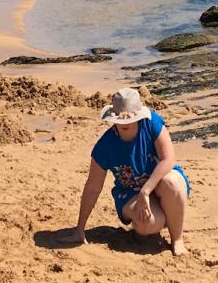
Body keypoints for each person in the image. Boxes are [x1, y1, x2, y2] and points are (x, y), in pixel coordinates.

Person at [72, 88, 190, 256]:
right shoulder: (105, 145)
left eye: (130, 118)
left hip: (159, 184)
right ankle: (148, 226)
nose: (125, 123)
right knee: (148, 224)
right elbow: (93, 186)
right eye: (120, 119)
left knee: (173, 182)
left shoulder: (151, 123)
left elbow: (168, 159)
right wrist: (80, 228)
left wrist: (146, 191)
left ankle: (177, 239)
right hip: (130, 193)